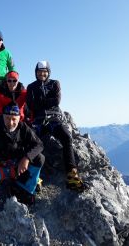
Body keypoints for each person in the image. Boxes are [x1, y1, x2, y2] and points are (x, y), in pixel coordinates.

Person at [0, 102, 44, 238]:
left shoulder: (23, 128)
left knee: (39, 158)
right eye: (7, 118)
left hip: (17, 167)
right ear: (3, 117)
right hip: (0, 167)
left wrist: (27, 158)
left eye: (14, 119)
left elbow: (39, 144)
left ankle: (24, 190)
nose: (10, 122)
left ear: (19, 118)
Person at [26, 61, 86, 192]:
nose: (42, 74)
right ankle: (36, 177)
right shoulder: (31, 87)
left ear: (48, 72)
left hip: (55, 118)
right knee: (34, 143)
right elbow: (31, 105)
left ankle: (72, 174)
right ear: (36, 73)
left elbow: (57, 101)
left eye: (45, 71)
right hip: (39, 120)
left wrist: (40, 103)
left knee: (66, 137)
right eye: (39, 72)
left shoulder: (55, 83)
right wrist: (47, 102)